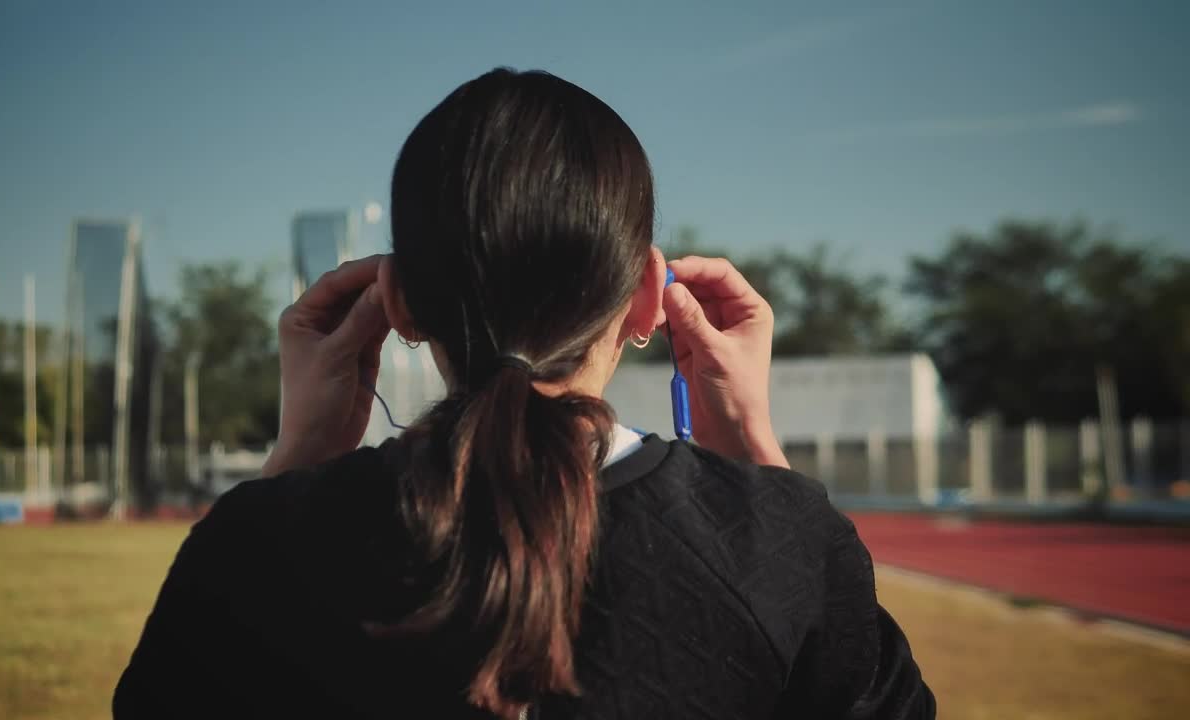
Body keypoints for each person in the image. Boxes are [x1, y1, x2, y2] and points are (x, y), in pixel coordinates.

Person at [114, 68, 934, 719]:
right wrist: (758, 468)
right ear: (650, 296)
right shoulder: (778, 545)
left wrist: (297, 462)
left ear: (396, 301)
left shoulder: (260, 549)